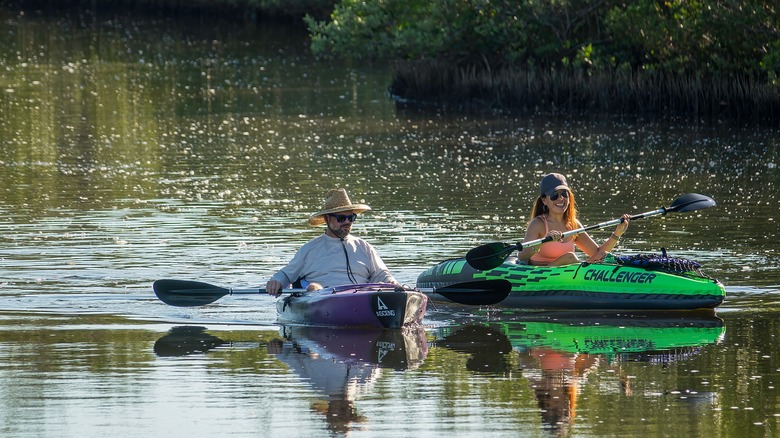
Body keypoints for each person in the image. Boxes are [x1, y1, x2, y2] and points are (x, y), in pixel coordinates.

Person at [265, 188, 399, 296]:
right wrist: (276, 281)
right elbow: (286, 274)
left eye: (351, 217)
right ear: (327, 219)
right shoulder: (310, 249)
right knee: (314, 287)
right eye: (341, 218)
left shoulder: (364, 247)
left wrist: (392, 283)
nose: (347, 222)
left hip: (363, 297)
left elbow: (381, 274)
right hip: (325, 298)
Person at [518, 173, 630, 266]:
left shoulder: (573, 225)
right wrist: (543, 241)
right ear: (544, 200)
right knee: (570, 257)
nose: (561, 198)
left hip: (566, 274)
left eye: (564, 194)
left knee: (602, 254)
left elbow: (596, 253)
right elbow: (522, 256)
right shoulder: (538, 224)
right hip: (541, 274)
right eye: (554, 195)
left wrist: (617, 233)